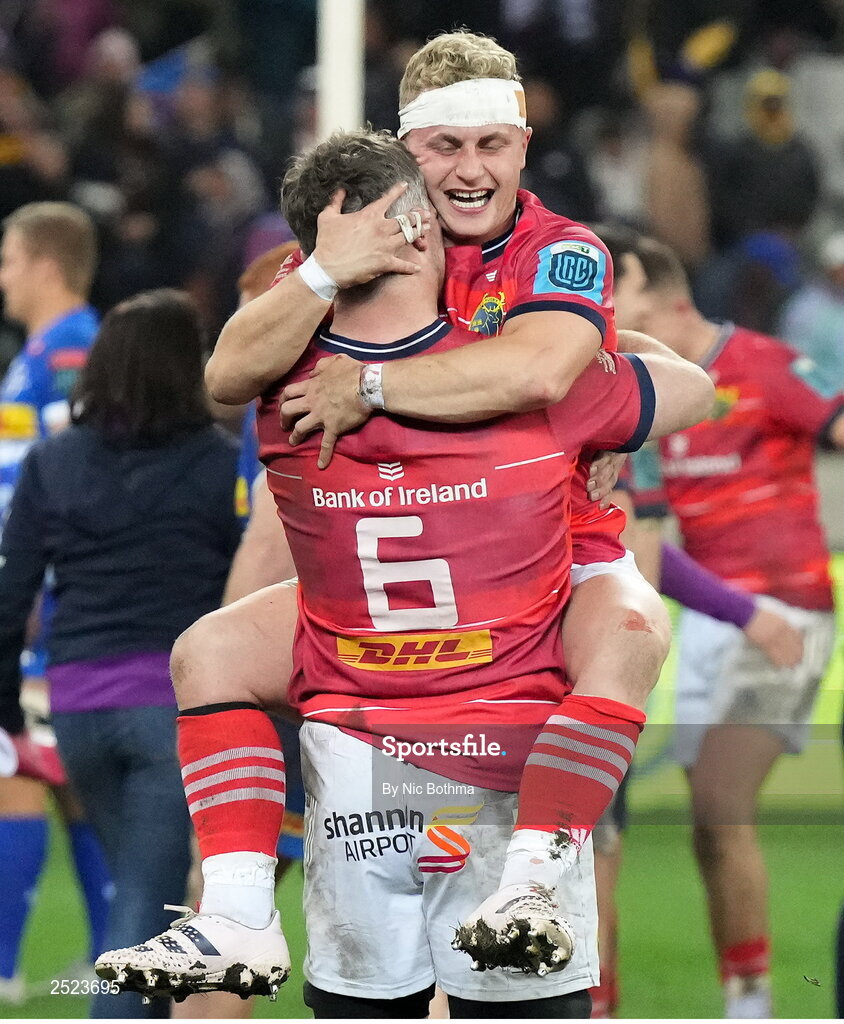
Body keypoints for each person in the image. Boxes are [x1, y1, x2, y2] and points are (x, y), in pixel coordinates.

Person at [96, 127, 713, 1016]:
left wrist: (317, 279)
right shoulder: (523, 383)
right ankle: (537, 875)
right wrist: (604, 399)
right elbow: (687, 386)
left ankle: (236, 911)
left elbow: (226, 369)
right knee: (632, 626)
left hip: (358, 752)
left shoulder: (285, 395)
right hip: (508, 734)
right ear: (425, 231)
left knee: (206, 653)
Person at [0, 289, 243, 1018]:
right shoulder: (221, 465)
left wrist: (7, 706)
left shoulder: (53, 461)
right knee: (145, 912)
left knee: (141, 898)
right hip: (175, 710)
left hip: (76, 708)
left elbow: (11, 593)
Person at [632, 236, 843, 1019]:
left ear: (659, 295)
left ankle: (754, 1011)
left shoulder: (760, 362)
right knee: (709, 826)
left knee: (721, 800)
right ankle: (741, 997)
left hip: (784, 611)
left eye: (612, 292)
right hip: (712, 614)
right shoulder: (644, 388)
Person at [0, 201, 111, 1000]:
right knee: (65, 774)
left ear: (43, 263)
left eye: (7, 260)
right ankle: (111, 955)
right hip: (48, 590)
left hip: (48, 599)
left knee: (15, 771)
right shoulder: (45, 350)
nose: (1, 277)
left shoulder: (71, 353)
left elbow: (84, 476)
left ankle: (4, 966)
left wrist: (45, 579)